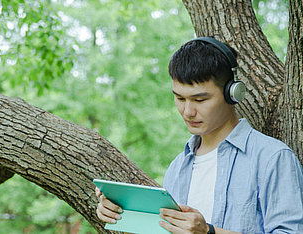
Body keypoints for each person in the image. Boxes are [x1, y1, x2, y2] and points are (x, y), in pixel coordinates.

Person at [95, 37, 303, 233]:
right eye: (180, 98)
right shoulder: (177, 168)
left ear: (233, 93)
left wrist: (209, 231)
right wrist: (119, 213)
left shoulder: (273, 158)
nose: (187, 112)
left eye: (200, 100)